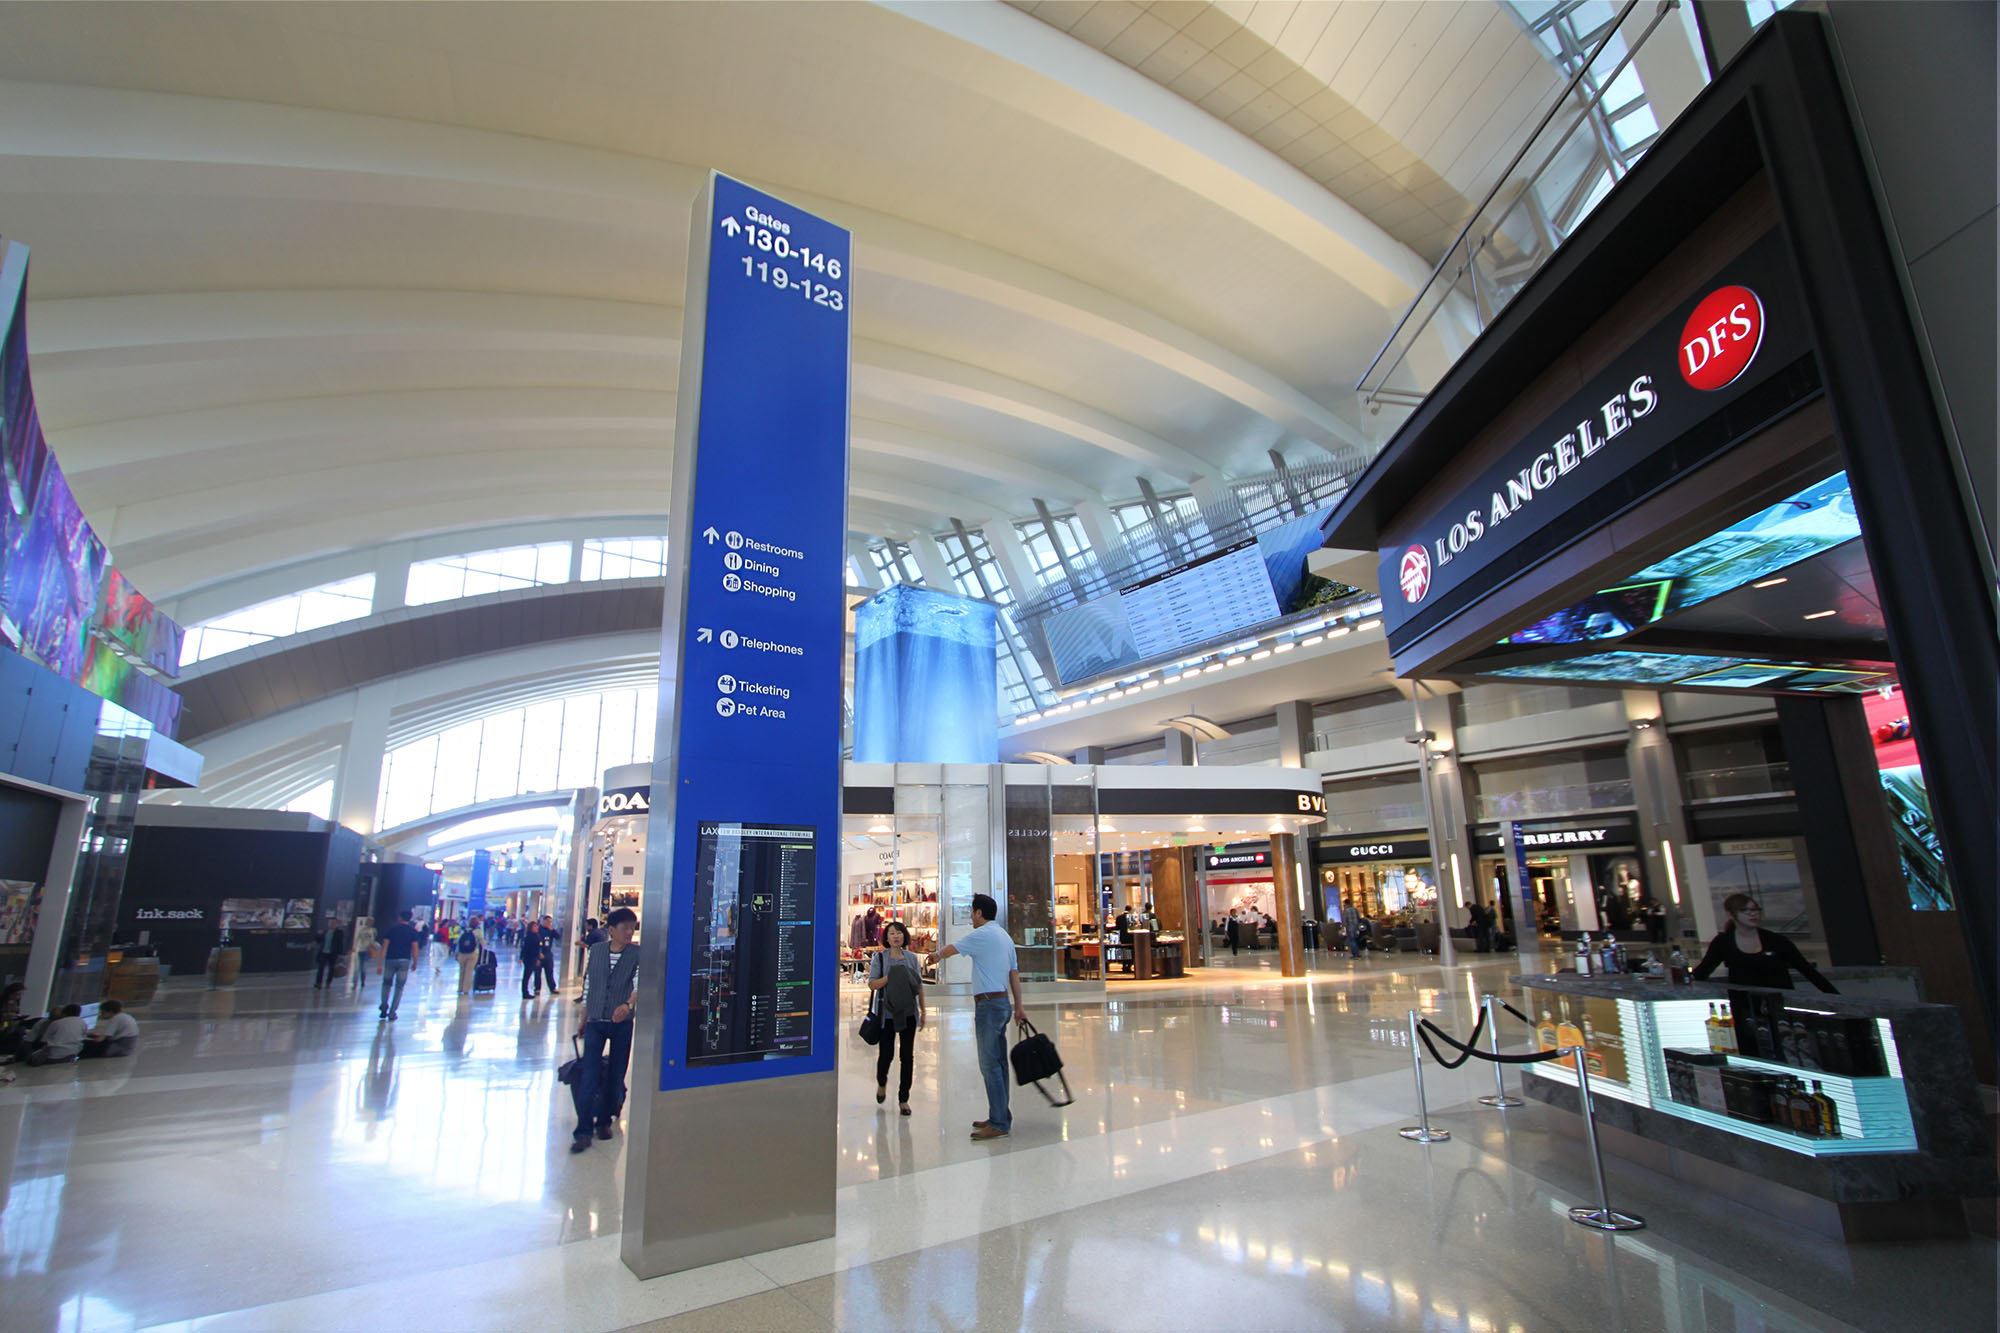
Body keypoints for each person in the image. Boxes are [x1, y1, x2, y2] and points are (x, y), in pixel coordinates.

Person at [925, 893, 1026, 1142]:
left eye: (972, 911)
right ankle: (999, 1115)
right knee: (999, 1063)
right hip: (1002, 1002)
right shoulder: (1004, 937)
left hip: (989, 1005)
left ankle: (1000, 1123)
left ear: (980, 913)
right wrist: (1019, 1007)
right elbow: (1014, 974)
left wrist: (934, 956)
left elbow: (951, 949)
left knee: (989, 1064)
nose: (971, 915)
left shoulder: (982, 935)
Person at [570, 907, 640, 1153]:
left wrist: (628, 1005)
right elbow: (589, 984)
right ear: (611, 930)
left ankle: (605, 1121)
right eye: (625, 928)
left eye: (632, 927)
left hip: (621, 1022)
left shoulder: (636, 954)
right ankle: (583, 1130)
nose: (630, 932)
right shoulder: (597, 952)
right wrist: (584, 1016)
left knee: (615, 1075)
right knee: (589, 1076)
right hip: (596, 1020)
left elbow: (638, 983)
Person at [1691, 894, 1837, 992]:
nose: (1752, 914)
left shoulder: (1776, 941)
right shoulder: (1723, 942)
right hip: (1745, 1006)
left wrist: (1838, 998)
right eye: (1745, 911)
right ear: (1731, 914)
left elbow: (1808, 971)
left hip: (1781, 1004)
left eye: (1755, 910)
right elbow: (1703, 971)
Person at [868, 920, 926, 1117]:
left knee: (907, 1057)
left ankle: (903, 1099)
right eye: (892, 933)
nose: (896, 936)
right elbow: (872, 985)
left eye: (899, 933)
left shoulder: (911, 958)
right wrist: (890, 977)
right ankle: (882, 1082)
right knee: (886, 1054)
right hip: (887, 1015)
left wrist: (923, 1011)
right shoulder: (880, 959)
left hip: (908, 1012)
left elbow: (919, 987)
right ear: (886, 937)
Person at [377, 909, 423, 1020]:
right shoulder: (412, 932)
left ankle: (384, 1006)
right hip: (404, 961)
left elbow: (384, 947)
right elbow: (415, 948)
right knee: (399, 987)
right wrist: (415, 962)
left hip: (390, 959)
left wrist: (379, 964)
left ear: (400, 918)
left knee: (386, 984)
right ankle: (392, 1012)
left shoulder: (392, 930)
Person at [18, 1004, 85, 1065]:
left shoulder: (60, 1024)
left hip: (47, 1046)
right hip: (36, 1043)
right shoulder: (42, 1023)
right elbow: (30, 1039)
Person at [313, 917, 347, 990]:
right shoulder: (325, 932)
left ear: (336, 924)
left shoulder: (339, 932)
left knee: (331, 968)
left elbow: (340, 943)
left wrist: (341, 954)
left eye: (333, 923)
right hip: (323, 952)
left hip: (333, 953)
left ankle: (328, 982)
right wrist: (318, 934)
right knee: (320, 968)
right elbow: (318, 941)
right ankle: (318, 983)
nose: (331, 924)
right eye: (330, 923)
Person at [454, 918, 483, 995]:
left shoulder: (463, 931)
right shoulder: (478, 931)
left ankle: (460, 988)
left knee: (462, 971)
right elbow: (482, 941)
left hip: (462, 953)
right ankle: (466, 989)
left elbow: (457, 941)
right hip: (473, 953)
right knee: (469, 971)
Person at [349, 916, 377, 995]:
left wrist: (375, 948)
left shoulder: (373, 931)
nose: (368, 923)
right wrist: (354, 947)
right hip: (360, 949)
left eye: (370, 921)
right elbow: (357, 938)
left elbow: (373, 941)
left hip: (367, 951)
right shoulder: (362, 930)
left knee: (363, 967)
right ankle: (355, 983)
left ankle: (362, 981)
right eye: (368, 921)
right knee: (357, 968)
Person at [518, 920, 546, 999]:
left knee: (535, 973)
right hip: (529, 958)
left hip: (534, 957)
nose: (536, 928)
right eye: (534, 926)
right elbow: (525, 948)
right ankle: (525, 992)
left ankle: (534, 988)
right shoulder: (529, 936)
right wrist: (521, 957)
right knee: (527, 975)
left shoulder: (537, 936)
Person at [536, 916, 561, 995]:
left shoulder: (550, 930)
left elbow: (558, 937)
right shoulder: (538, 930)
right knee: (537, 972)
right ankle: (537, 988)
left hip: (548, 953)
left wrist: (553, 930)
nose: (549, 923)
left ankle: (552, 987)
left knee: (549, 971)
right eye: (547, 921)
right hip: (539, 953)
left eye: (550, 922)